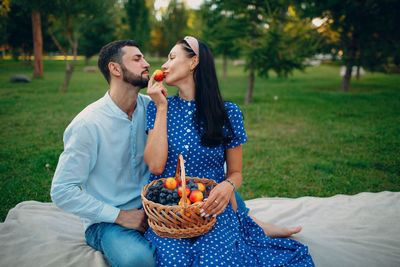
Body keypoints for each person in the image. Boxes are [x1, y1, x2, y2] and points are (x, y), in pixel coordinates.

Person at [144, 36, 314, 266]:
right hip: (169, 213)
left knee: (213, 262)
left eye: (172, 57)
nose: (164, 65)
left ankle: (247, 228)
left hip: (211, 210)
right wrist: (161, 108)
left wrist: (228, 185)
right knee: (175, 262)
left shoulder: (228, 113)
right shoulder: (158, 107)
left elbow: (236, 173)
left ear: (194, 62)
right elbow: (155, 166)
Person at [50, 40, 156, 267]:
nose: (146, 63)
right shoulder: (88, 124)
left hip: (154, 209)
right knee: (139, 260)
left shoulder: (152, 108)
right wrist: (120, 216)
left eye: (143, 57)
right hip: (107, 221)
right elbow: (61, 190)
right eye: (137, 59)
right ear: (115, 69)